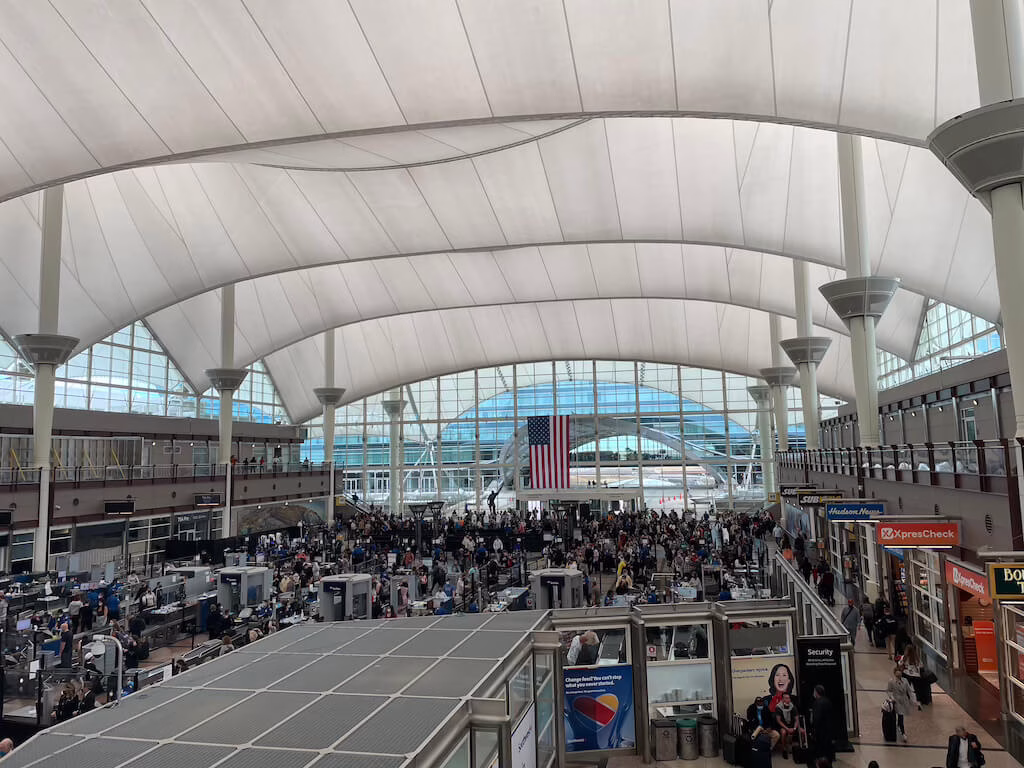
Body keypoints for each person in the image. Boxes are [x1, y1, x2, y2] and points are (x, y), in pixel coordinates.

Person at [885, 666, 916, 743]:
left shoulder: (905, 681)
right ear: (894, 673)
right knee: (900, 715)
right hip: (896, 701)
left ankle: (899, 727)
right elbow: (888, 690)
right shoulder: (891, 682)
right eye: (897, 671)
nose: (899, 673)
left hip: (904, 701)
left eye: (900, 671)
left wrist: (913, 700)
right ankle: (903, 733)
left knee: (901, 716)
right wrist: (891, 698)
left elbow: (909, 691)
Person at [810, 684, 835, 765]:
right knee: (828, 749)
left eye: (814, 691)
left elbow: (817, 718)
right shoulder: (828, 701)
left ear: (817, 692)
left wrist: (813, 730)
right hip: (828, 730)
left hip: (820, 731)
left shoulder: (817, 703)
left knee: (820, 750)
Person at [775, 692, 799, 759]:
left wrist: (794, 728)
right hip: (783, 725)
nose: (788, 699)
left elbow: (797, 719)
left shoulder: (793, 707)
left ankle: (797, 749)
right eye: (786, 698)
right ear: (782, 699)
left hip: (792, 725)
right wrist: (787, 728)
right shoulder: (778, 707)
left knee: (802, 732)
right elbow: (778, 721)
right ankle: (784, 749)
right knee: (783, 732)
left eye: (789, 698)